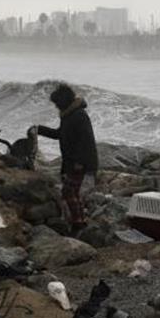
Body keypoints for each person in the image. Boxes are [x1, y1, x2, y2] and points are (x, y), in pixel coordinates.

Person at [32, 82, 98, 232]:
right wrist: (39, 129)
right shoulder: (69, 115)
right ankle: (79, 221)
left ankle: (78, 223)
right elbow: (59, 134)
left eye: (57, 104)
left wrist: (80, 162)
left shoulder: (79, 116)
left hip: (79, 163)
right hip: (72, 162)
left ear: (63, 102)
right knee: (72, 193)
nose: (56, 107)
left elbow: (85, 141)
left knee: (69, 192)